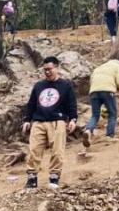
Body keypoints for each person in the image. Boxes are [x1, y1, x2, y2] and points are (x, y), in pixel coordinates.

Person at [22, 56, 78, 189]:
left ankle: (54, 177)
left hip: (57, 120)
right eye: (45, 69)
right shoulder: (39, 85)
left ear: (56, 68)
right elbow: (31, 104)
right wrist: (27, 120)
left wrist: (73, 119)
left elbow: (72, 104)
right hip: (39, 121)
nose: (47, 72)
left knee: (57, 150)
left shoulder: (65, 85)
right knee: (34, 149)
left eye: (49, 69)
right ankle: (32, 178)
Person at [84, 56, 119, 142]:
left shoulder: (100, 67)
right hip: (107, 91)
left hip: (94, 91)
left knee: (95, 115)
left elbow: (91, 80)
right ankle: (110, 135)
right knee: (112, 114)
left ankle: (88, 130)